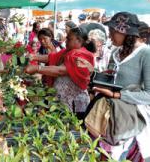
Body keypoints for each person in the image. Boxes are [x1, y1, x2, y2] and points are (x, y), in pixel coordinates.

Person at [91, 12, 150, 161]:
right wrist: (104, 77)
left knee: (121, 155)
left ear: (125, 32)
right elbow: (116, 81)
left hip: (131, 119)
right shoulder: (116, 52)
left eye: (112, 32)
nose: (110, 36)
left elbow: (148, 95)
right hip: (111, 114)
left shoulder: (145, 54)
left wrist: (117, 95)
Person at [25, 27, 96, 117]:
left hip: (74, 104)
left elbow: (60, 70)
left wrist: (37, 68)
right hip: (62, 100)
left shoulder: (82, 55)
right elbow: (52, 57)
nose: (65, 41)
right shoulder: (68, 51)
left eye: (69, 39)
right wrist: (34, 57)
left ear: (79, 40)